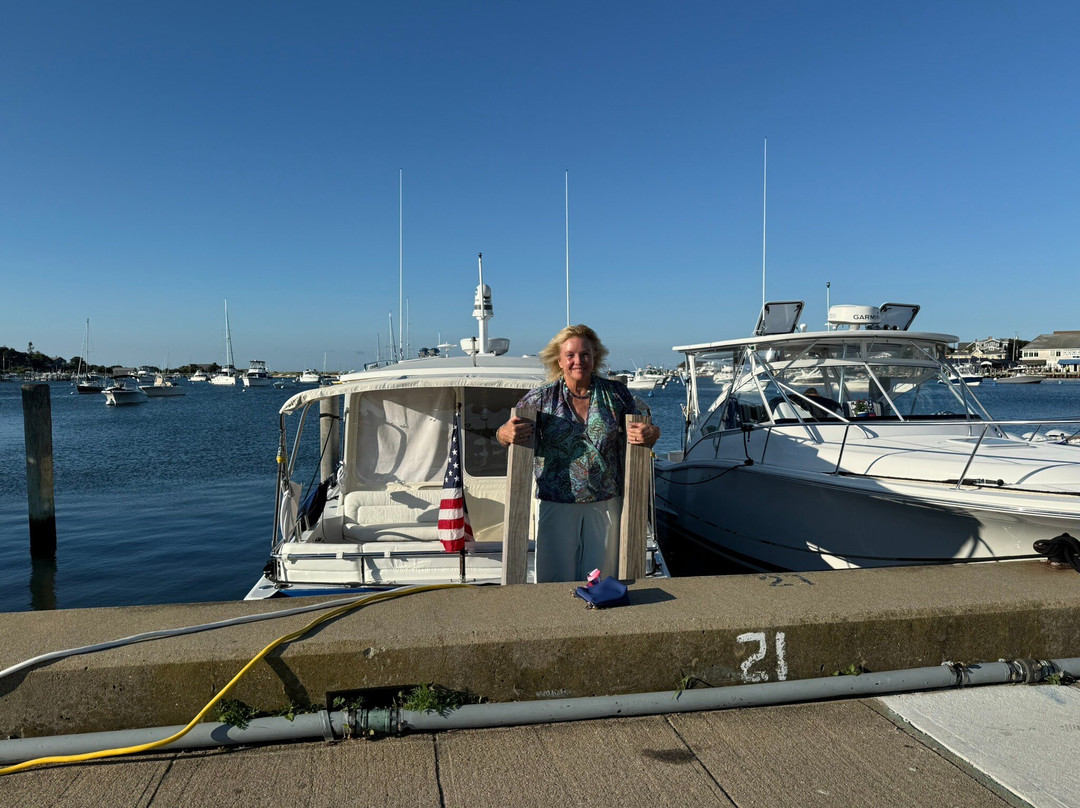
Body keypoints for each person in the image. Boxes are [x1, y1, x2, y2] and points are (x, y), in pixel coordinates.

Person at [495, 324, 660, 583]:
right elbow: (506, 432)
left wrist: (653, 433)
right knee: (554, 582)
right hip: (557, 503)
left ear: (595, 358)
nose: (578, 361)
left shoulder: (616, 394)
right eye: (570, 355)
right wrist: (503, 433)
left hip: (605, 502)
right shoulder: (541, 398)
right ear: (559, 360)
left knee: (601, 580)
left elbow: (644, 427)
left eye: (585, 354)